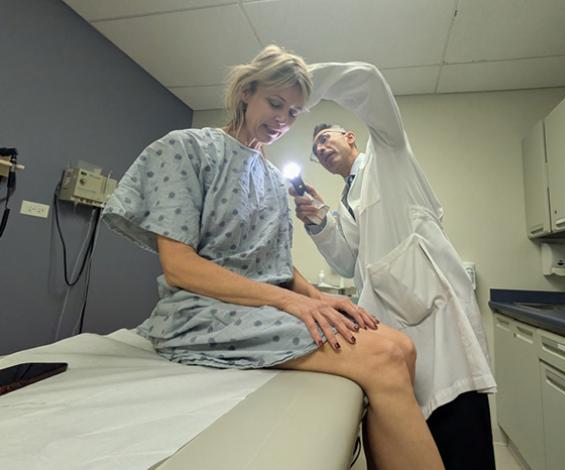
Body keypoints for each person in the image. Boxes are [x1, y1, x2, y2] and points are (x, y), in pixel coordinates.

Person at [102, 45, 444, 470]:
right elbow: (179, 266)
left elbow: (276, 265)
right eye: (275, 103)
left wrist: (318, 297)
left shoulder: (270, 176)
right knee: (386, 356)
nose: (283, 119)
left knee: (403, 346)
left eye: (294, 112)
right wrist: (290, 301)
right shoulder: (187, 148)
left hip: (258, 309)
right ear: (246, 92)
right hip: (201, 313)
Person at [292, 61, 497, 469]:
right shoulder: (348, 202)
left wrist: (294, 86)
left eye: (326, 138)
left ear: (351, 137)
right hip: (390, 331)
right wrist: (318, 221)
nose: (321, 149)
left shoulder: (387, 153)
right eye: (315, 150)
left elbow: (368, 82)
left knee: (458, 440)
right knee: (412, 446)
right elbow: (349, 263)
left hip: (435, 324)